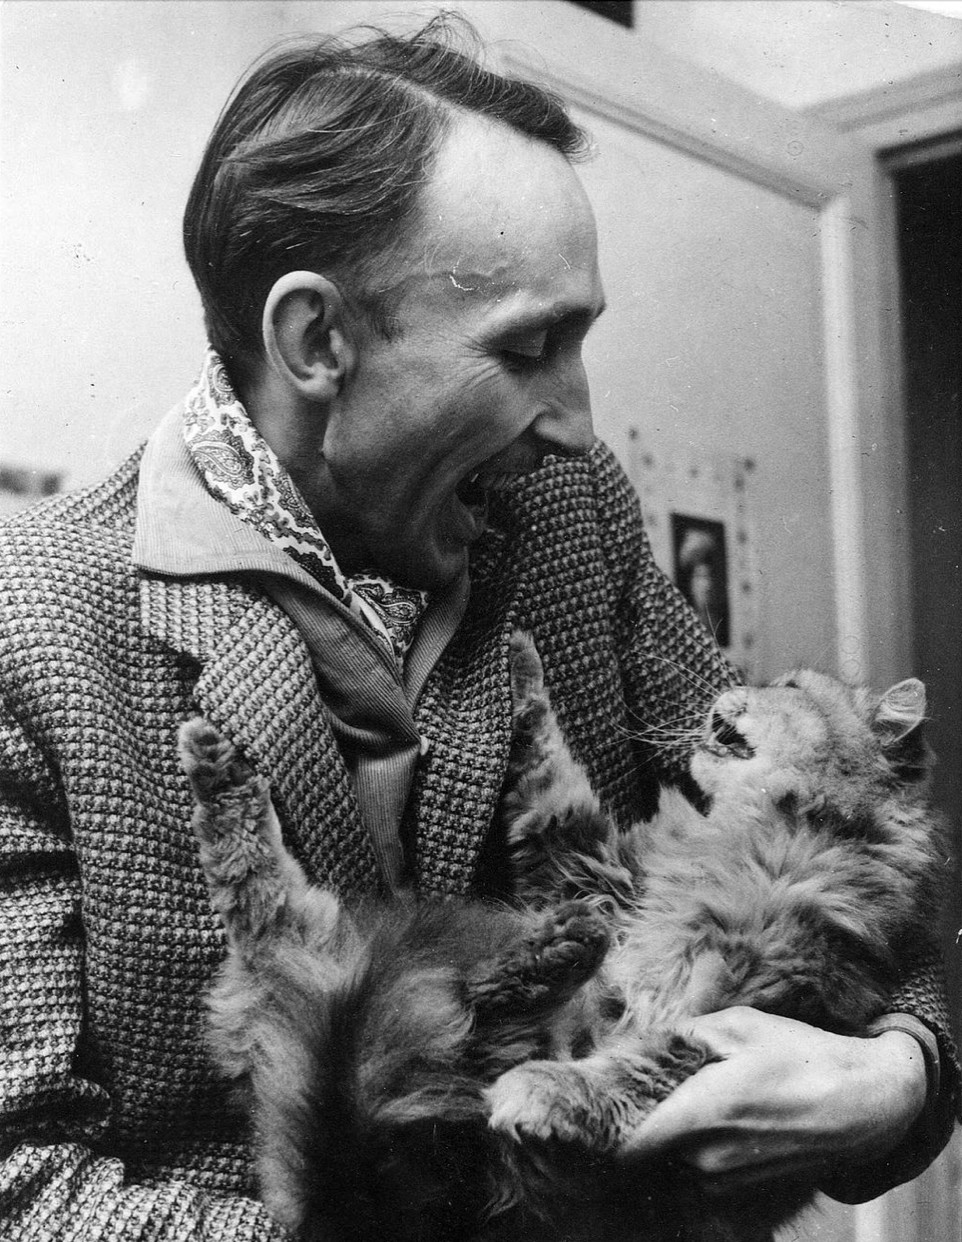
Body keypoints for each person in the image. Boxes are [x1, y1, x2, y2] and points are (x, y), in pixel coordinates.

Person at [0, 16, 957, 1240]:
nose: (575, 420)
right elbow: (23, 1179)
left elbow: (828, 809)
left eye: (581, 336)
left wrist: (900, 1070)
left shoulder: (571, 509)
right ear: (316, 340)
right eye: (527, 346)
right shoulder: (33, 621)